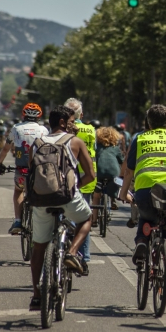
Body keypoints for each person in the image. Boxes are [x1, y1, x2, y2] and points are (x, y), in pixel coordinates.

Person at [27, 106, 95, 310]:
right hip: (67, 198)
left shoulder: (37, 143)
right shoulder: (75, 142)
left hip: (40, 200)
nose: (75, 124)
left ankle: (37, 295)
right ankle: (72, 252)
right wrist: (73, 187)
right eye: (72, 120)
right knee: (87, 218)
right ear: (64, 123)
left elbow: (32, 174)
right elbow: (91, 175)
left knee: (38, 246)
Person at [119, 104, 166, 297]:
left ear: (147, 122)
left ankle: (141, 241)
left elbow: (129, 170)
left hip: (146, 189)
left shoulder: (140, 138)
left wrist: (123, 194)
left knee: (146, 217)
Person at [0, 103, 48, 234]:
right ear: (39, 116)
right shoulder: (44, 130)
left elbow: (6, 148)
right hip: (39, 171)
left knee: (19, 191)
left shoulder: (16, 128)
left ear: (23, 114)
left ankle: (18, 220)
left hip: (22, 170)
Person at [65, 98, 96, 264]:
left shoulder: (64, 130)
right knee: (85, 216)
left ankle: (64, 249)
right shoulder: (91, 130)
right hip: (88, 177)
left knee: (66, 216)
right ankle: (84, 257)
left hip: (68, 177)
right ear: (81, 115)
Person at [92, 127, 124, 225]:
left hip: (100, 173)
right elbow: (122, 161)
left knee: (96, 197)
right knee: (116, 183)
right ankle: (113, 198)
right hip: (114, 174)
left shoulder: (97, 148)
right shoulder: (116, 149)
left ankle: (94, 220)